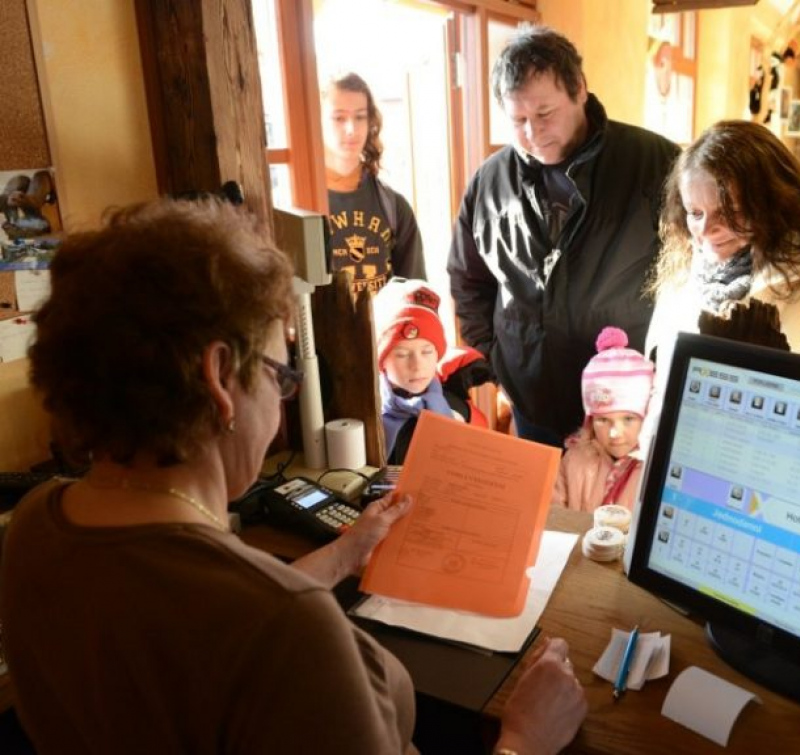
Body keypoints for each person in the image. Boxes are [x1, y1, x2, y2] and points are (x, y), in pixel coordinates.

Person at [0, 198, 586, 753]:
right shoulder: (289, 627)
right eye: (279, 373)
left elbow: (210, 628)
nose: (280, 399)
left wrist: (342, 555)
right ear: (221, 379)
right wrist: (524, 739)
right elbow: (254, 625)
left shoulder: (35, 527)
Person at [447, 24, 680, 448]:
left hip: (626, 410)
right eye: (518, 120)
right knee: (543, 513)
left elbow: (689, 276)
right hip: (532, 402)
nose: (533, 134)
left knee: (613, 515)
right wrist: (499, 362)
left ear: (580, 91)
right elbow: (469, 280)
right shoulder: (490, 182)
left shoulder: (655, 164)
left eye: (544, 114)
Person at [643, 119, 800, 446]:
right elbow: (661, 399)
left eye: (730, 211)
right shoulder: (680, 283)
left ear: (774, 204)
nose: (708, 230)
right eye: (695, 213)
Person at [323, 72, 425, 293]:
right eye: (339, 118)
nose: (351, 129)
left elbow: (415, 297)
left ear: (370, 122)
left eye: (360, 116)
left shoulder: (394, 207)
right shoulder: (301, 205)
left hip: (386, 328)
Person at [374, 277, 493, 465]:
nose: (417, 365)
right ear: (381, 362)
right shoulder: (366, 419)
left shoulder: (456, 411)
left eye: (427, 352)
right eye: (402, 355)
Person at [553, 326, 654, 513]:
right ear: (590, 420)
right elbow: (553, 511)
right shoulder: (573, 459)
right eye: (603, 420)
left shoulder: (655, 471)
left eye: (629, 419)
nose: (614, 433)